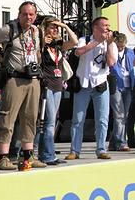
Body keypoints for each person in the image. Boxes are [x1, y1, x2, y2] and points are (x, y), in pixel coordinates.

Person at [0, 1, 46, 171]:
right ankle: (4, 156)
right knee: (7, 117)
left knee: (30, 117)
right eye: (25, 14)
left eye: (32, 14)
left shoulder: (37, 32)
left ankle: (27, 156)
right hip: (14, 79)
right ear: (19, 15)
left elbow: (38, 53)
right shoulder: (9, 30)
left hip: (33, 79)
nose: (28, 17)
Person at [65, 17, 117, 160]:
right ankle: (75, 150)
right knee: (78, 119)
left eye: (108, 25)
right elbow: (79, 52)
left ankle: (101, 149)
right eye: (105, 25)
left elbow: (111, 62)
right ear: (96, 28)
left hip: (100, 83)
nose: (108, 28)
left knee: (102, 119)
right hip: (84, 83)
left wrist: (109, 44)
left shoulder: (110, 43)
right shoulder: (85, 39)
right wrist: (97, 42)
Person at [37, 17, 78, 165]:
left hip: (58, 85)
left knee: (53, 121)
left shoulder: (58, 46)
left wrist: (64, 26)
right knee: (48, 121)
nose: (55, 30)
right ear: (45, 28)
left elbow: (74, 42)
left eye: (57, 28)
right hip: (46, 85)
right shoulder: (41, 44)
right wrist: (41, 44)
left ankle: (49, 152)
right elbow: (37, 60)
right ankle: (47, 155)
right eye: (52, 27)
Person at [108, 33, 134, 152]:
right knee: (119, 115)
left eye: (122, 47)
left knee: (124, 115)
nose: (120, 49)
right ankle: (121, 142)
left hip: (128, 87)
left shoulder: (130, 52)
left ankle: (113, 143)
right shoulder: (112, 51)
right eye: (118, 46)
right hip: (117, 85)